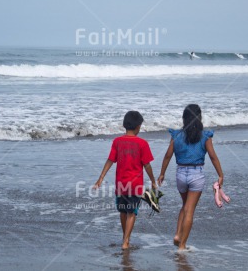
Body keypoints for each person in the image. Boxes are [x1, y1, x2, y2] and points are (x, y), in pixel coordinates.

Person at [157, 104, 224, 250]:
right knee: (190, 210)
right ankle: (182, 245)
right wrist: (220, 174)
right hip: (196, 174)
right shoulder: (205, 136)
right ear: (199, 117)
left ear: (184, 118)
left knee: (185, 205)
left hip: (180, 173)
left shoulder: (176, 135)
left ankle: (177, 234)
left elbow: (168, 155)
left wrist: (162, 173)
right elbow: (213, 157)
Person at [93, 111, 157, 250]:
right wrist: (153, 180)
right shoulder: (142, 143)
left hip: (121, 184)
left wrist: (101, 178)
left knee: (122, 211)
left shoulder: (117, 141)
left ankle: (125, 238)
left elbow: (110, 160)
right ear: (138, 126)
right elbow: (147, 165)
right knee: (132, 212)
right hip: (135, 185)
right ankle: (126, 242)